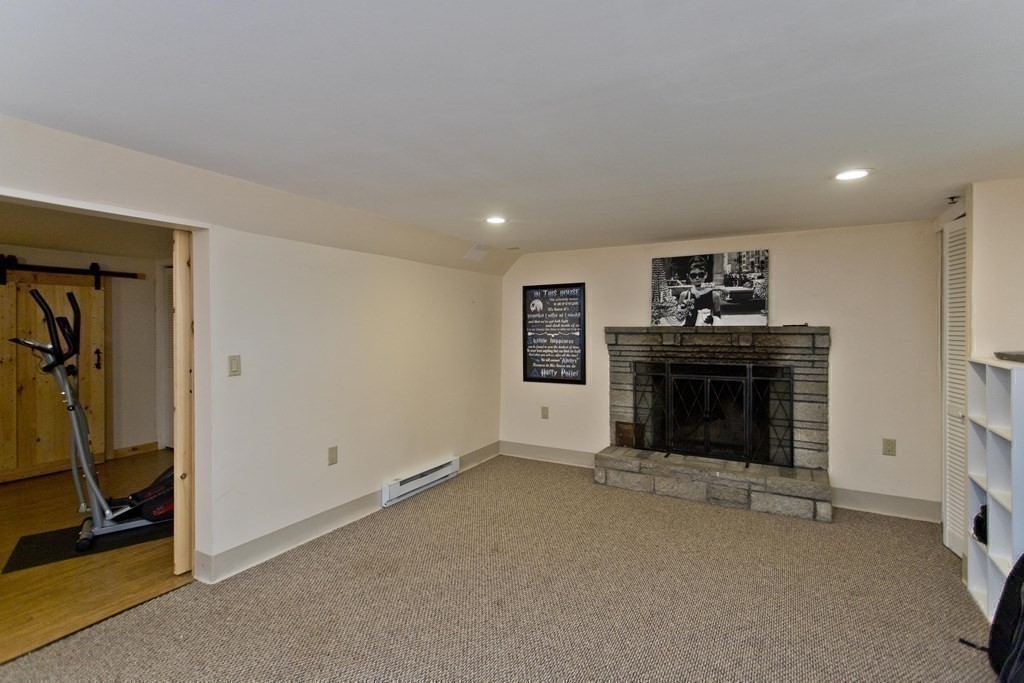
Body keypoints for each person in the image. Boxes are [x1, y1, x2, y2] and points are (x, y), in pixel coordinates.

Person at [677, 256, 721, 326]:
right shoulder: (684, 295)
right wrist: (682, 310)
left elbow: (718, 317)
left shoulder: (714, 295)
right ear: (689, 277)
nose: (697, 278)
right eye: (693, 275)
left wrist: (712, 319)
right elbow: (678, 319)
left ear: (706, 275)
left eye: (701, 275)